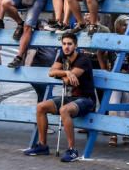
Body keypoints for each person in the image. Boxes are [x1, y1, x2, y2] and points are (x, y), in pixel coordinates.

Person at [24, 32, 96, 162]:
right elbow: (51, 72)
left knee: (64, 110)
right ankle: (42, 145)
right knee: (41, 107)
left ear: (76, 45)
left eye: (69, 44)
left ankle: (72, 150)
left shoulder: (83, 60)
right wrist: (66, 72)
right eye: (64, 44)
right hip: (70, 98)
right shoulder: (62, 57)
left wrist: (61, 74)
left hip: (86, 100)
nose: (66, 47)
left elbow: (68, 81)